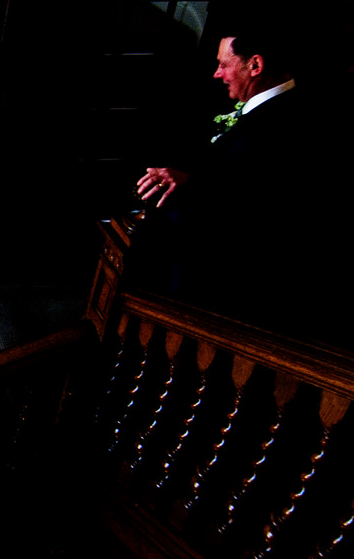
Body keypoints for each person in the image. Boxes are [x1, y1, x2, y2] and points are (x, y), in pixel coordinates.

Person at [132, 26, 344, 340]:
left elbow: (258, 203)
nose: (217, 74)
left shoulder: (287, 124)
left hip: (231, 284)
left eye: (224, 64)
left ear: (255, 66)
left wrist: (192, 187)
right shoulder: (272, 107)